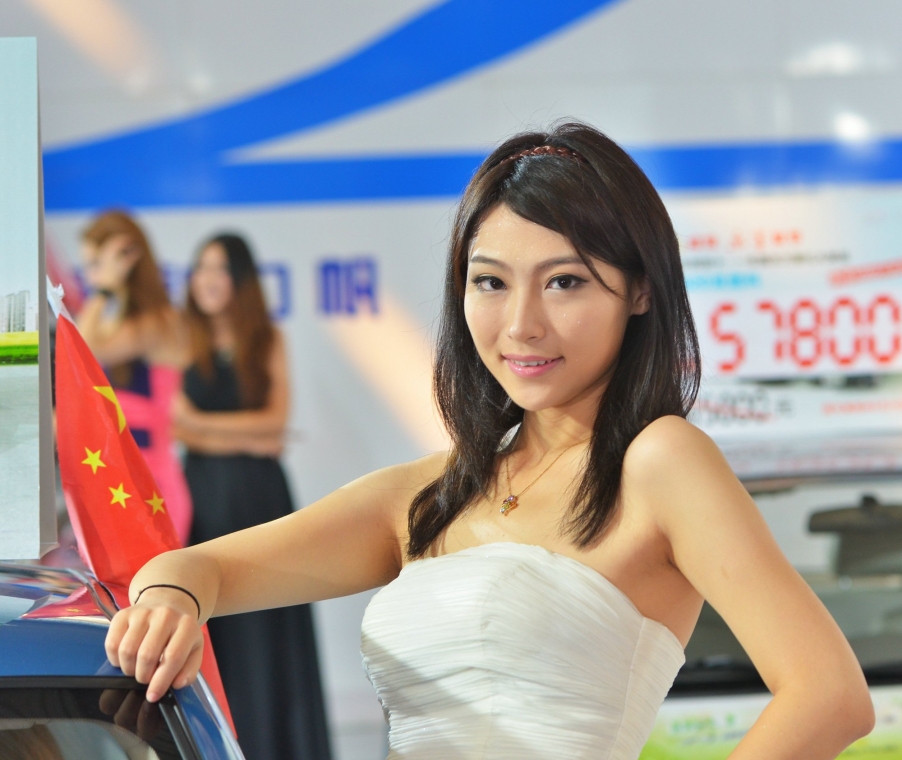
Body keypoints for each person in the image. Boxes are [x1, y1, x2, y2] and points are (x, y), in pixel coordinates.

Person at [105, 124, 875, 760]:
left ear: (640, 289)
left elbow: (830, 696)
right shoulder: (429, 496)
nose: (521, 325)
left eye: (565, 281)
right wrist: (171, 599)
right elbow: (196, 568)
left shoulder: (660, 461)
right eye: (491, 282)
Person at [171, 233, 331, 760]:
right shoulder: (182, 339)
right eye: (200, 267)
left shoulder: (267, 338)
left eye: (219, 268)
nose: (207, 279)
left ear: (240, 279)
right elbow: (178, 425)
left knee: (266, 622)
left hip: (260, 498)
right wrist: (249, 436)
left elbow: (276, 422)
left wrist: (203, 427)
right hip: (202, 498)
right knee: (216, 623)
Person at [77, 210, 192, 545]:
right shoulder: (119, 324)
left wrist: (104, 289)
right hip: (121, 479)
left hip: (151, 485)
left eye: (98, 263)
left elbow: (82, 351)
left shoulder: (158, 321)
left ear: (127, 259)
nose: (91, 275)